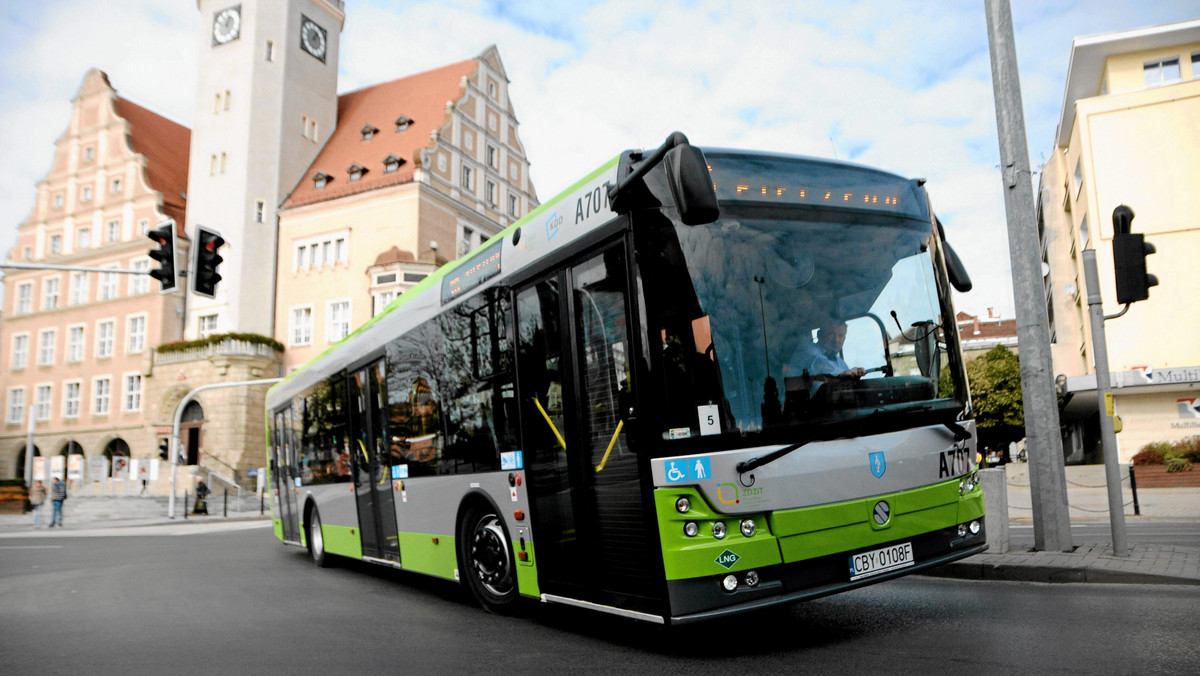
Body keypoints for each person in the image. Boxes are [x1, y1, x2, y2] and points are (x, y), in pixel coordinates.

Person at [790, 318, 866, 380]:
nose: (836, 340)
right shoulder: (807, 350)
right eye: (831, 334)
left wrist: (855, 374)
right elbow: (818, 362)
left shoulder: (840, 362)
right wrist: (842, 374)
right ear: (819, 335)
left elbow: (848, 378)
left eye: (841, 335)